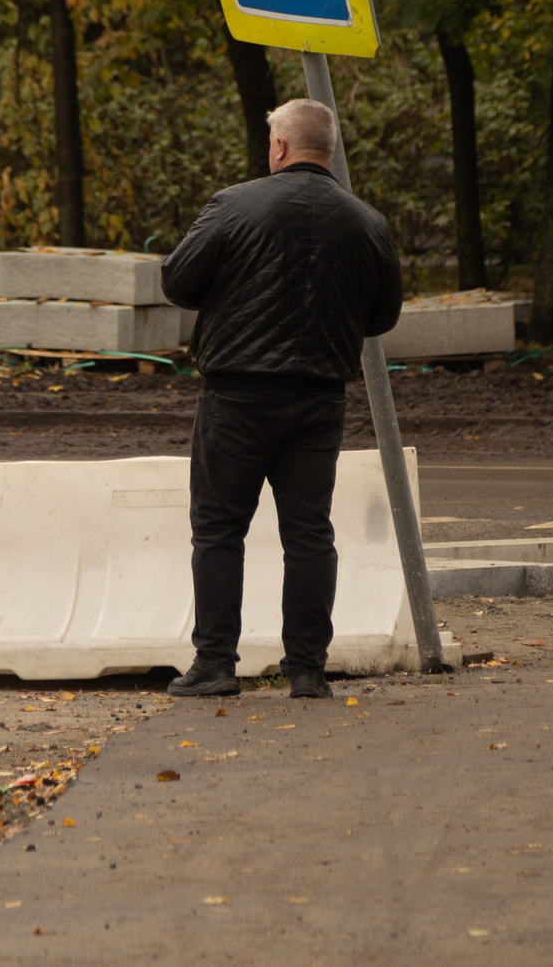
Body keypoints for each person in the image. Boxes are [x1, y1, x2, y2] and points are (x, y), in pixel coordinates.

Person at [159, 96, 402, 699]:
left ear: (280, 147)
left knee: (218, 530)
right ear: (330, 149)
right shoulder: (368, 222)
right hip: (319, 399)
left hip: (236, 395)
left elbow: (177, 281)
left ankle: (215, 665)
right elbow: (384, 315)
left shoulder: (233, 205)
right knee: (310, 532)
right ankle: (307, 670)